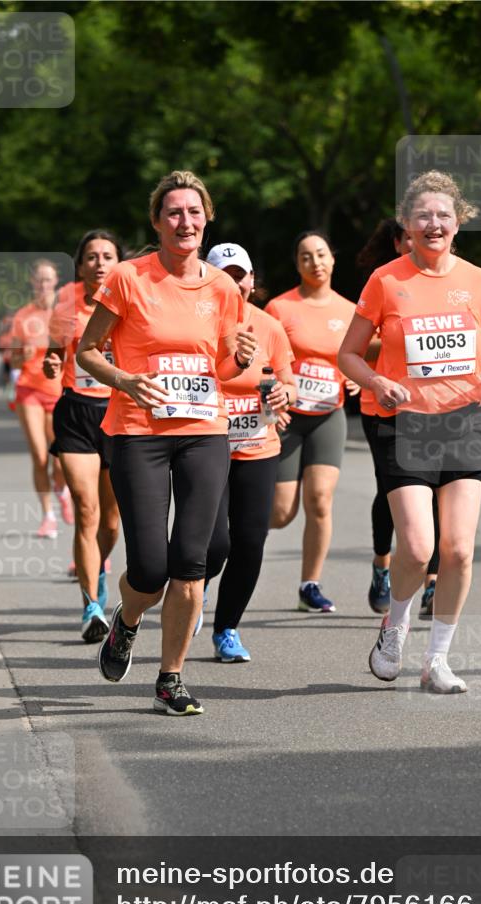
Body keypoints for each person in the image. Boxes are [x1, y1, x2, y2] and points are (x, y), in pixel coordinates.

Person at [339, 170, 481, 694]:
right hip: (403, 424)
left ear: (459, 222)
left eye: (444, 215)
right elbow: (348, 354)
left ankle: (437, 661)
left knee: (459, 550)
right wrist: (379, 380)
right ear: (406, 223)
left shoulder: (478, 281)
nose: (433, 223)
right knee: (419, 548)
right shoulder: (385, 280)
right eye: (422, 215)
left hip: (463, 421)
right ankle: (394, 628)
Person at [76, 170, 257, 716]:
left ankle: (170, 679)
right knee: (150, 568)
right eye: (174, 212)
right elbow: (87, 352)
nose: (185, 221)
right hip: (137, 432)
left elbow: (224, 368)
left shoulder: (223, 288)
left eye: (194, 212)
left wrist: (242, 357)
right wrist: (124, 379)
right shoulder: (129, 279)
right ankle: (126, 622)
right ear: (157, 222)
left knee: (191, 561)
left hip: (204, 431)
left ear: (207, 221)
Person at [199, 243, 296, 663]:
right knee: (215, 542)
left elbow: (290, 382)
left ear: (253, 281)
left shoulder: (269, 326)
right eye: (226, 276)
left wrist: (282, 397)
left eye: (242, 276)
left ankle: (227, 629)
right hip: (207, 445)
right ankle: (194, 584)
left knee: (250, 542)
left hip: (258, 447)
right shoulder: (199, 325)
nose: (236, 284)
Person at [265, 231, 359, 613]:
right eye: (305, 256)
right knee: (282, 512)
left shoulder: (351, 310)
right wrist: (271, 401)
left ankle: (310, 584)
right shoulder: (279, 308)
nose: (315, 262)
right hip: (288, 417)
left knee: (320, 500)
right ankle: (227, 540)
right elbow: (264, 363)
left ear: (333, 260)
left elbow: (358, 355)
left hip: (328, 416)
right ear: (297, 264)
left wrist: (356, 374)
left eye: (321, 254)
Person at [356, 218, 440, 619]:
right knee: (391, 492)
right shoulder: (384, 282)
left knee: (440, 489)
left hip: (439, 409)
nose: (417, 240)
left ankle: (433, 581)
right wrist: (397, 344)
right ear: (398, 240)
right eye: (408, 235)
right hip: (385, 407)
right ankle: (382, 565)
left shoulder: (451, 281)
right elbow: (355, 348)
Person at [43, 230, 124, 642]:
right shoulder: (66, 302)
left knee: (111, 522)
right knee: (87, 510)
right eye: (91, 257)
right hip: (76, 412)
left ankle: (95, 570)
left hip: (117, 415)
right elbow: (54, 350)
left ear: (118, 263)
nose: (98, 263)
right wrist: (52, 362)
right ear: (80, 266)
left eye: (107, 255)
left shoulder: (129, 300)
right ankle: (92, 605)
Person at [11, 259, 73, 539]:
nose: (43, 285)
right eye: (39, 280)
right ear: (32, 283)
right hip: (29, 391)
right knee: (39, 456)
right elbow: (12, 358)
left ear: (56, 282)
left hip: (59, 391)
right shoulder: (23, 315)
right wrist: (19, 356)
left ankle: (62, 490)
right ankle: (48, 516)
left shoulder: (64, 314)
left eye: (48, 280)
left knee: (59, 461)